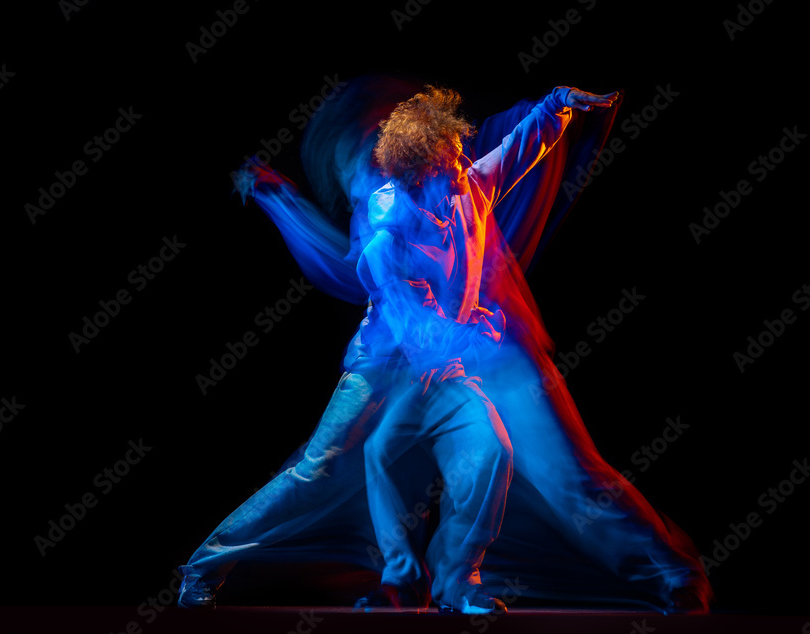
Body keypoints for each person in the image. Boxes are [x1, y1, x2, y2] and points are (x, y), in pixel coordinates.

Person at [177, 78, 712, 614]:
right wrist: (460, 340)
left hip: (452, 359)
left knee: (509, 455)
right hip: (385, 365)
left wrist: (558, 107)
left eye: (462, 155)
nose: (466, 165)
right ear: (421, 170)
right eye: (453, 159)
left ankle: (459, 583)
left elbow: (515, 151)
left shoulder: (467, 186)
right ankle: (206, 563)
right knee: (318, 471)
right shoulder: (388, 221)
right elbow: (406, 312)